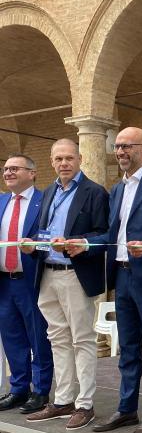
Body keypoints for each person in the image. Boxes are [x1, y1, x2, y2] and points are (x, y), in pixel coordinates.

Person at [67, 127, 142, 433]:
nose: (120, 152)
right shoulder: (116, 190)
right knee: (127, 347)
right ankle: (127, 407)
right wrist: (85, 243)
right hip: (122, 277)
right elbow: (110, 235)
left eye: (126, 146)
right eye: (116, 147)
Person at [23, 140, 108, 430]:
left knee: (82, 340)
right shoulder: (49, 192)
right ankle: (62, 401)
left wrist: (82, 244)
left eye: (69, 158)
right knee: (57, 338)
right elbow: (43, 232)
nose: (64, 163)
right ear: (51, 161)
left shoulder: (94, 192)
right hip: (47, 272)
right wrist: (32, 245)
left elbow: (104, 233)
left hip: (76, 273)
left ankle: (85, 404)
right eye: (58, 158)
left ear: (80, 158)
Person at [0, 155, 53, 414]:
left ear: (32, 173)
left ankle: (41, 391)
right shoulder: (0, 202)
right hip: (4, 283)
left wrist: (36, 247)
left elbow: (50, 238)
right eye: (6, 169)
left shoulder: (45, 201)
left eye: (14, 168)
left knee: (38, 337)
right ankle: (18, 389)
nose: (8, 172)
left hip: (31, 281)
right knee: (12, 338)